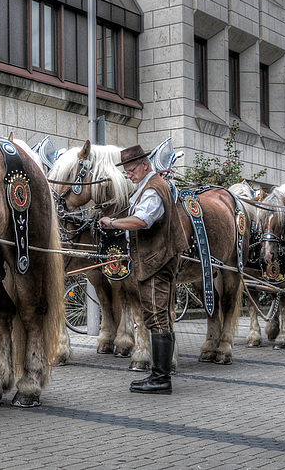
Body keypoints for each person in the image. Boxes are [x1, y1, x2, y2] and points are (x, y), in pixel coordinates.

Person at [97, 145, 187, 395]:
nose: (129, 175)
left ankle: (160, 378)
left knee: (157, 317)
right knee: (159, 317)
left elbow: (143, 220)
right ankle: (160, 375)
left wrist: (113, 222)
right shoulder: (151, 186)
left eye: (131, 170)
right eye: (126, 172)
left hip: (156, 262)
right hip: (154, 261)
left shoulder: (153, 189)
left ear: (144, 165)